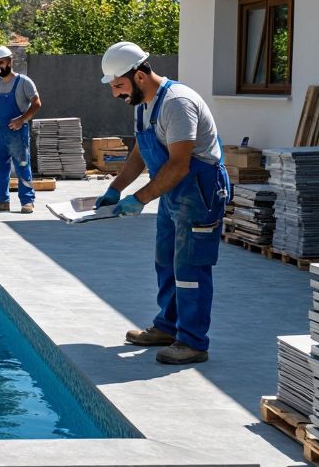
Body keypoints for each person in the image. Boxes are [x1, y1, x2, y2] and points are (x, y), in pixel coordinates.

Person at [94, 41, 228, 365]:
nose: (116, 94)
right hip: (172, 191)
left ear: (139, 75)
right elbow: (141, 152)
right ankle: (168, 327)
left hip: (198, 189)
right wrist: (115, 189)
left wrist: (139, 198)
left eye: (119, 85)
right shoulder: (143, 104)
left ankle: (193, 341)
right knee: (165, 260)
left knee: (190, 266)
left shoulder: (177, 103)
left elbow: (180, 164)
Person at [0, 46, 41, 214]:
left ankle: (27, 201)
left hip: (17, 134)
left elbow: (37, 103)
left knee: (22, 166)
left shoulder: (24, 82)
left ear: (9, 61)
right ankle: (1, 201)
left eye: (1, 62)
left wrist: (21, 119)